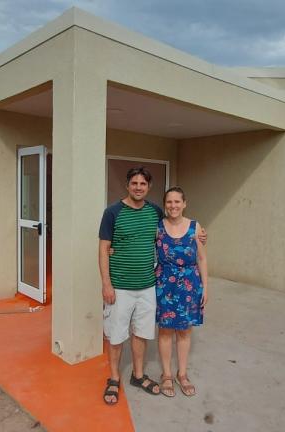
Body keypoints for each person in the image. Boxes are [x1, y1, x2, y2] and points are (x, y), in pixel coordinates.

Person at [98, 167, 163, 405]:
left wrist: (199, 234)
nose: (138, 187)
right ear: (127, 185)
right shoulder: (112, 212)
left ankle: (137, 375)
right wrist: (106, 283)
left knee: (141, 333)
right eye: (134, 183)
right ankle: (114, 378)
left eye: (142, 184)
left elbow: (172, 231)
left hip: (147, 286)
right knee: (116, 336)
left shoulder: (155, 211)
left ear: (148, 187)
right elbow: (104, 248)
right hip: (120, 287)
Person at [155, 187, 207, 398]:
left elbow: (202, 259)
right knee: (166, 330)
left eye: (177, 202)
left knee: (185, 331)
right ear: (165, 204)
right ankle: (166, 374)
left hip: (189, 284)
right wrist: (114, 249)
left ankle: (182, 374)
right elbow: (137, 244)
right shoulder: (158, 227)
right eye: (169, 202)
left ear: (184, 203)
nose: (173, 206)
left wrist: (205, 287)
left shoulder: (195, 228)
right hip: (164, 283)